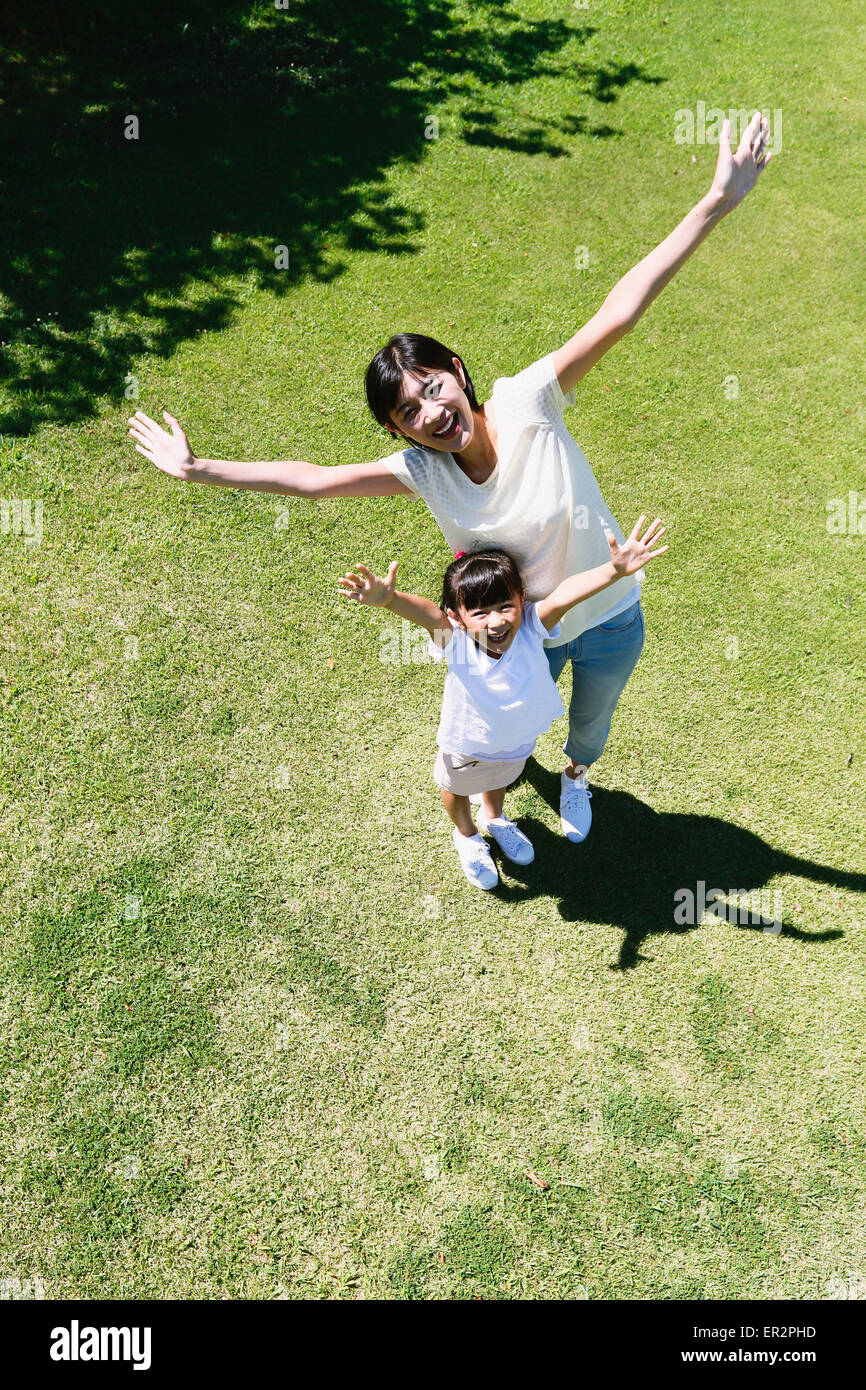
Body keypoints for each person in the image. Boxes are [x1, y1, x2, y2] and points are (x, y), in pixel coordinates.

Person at [127, 114, 772, 843]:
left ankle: (578, 778)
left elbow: (617, 313)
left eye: (434, 387)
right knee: (517, 718)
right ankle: (502, 790)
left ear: (459, 374)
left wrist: (715, 202)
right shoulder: (422, 472)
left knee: (592, 720)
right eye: (409, 410)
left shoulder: (530, 402)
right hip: (532, 631)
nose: (432, 412)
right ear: (397, 431)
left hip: (614, 608)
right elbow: (311, 480)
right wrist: (197, 467)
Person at [338, 516, 668, 889]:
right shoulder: (456, 645)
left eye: (504, 606)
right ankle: (466, 834)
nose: (495, 621)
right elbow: (428, 613)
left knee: (501, 781)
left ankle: (495, 818)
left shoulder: (530, 625)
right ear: (457, 619)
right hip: (467, 746)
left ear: (522, 600)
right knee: (457, 792)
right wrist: (390, 600)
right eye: (479, 612)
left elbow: (563, 595)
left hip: (516, 743)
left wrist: (614, 570)